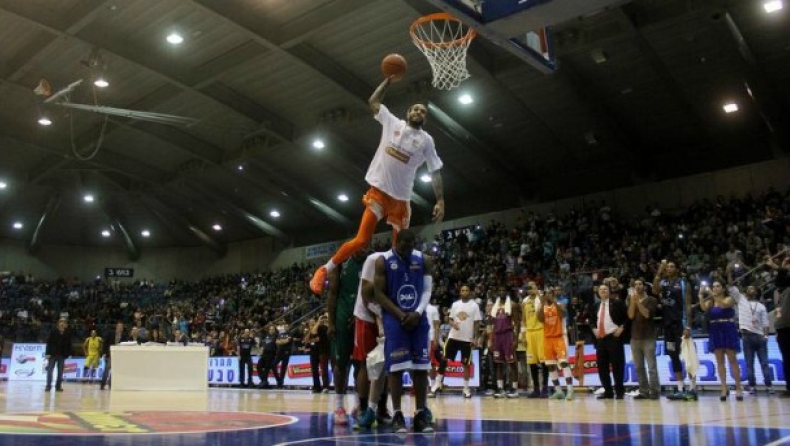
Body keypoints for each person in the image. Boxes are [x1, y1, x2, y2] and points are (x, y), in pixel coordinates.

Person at [310, 76, 445, 295]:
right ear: (408, 113)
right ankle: (324, 269)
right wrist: (388, 81)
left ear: (425, 119)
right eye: (415, 109)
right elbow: (373, 102)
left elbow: (435, 171)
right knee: (362, 239)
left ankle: (396, 286)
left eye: (423, 112)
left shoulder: (426, 140)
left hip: (401, 201)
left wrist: (440, 200)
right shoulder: (393, 123)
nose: (419, 113)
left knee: (399, 248)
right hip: (379, 193)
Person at [372, 229, 434, 434]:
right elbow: (378, 293)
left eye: (412, 245)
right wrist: (400, 315)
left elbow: (427, 290)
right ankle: (398, 413)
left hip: (418, 317)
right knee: (396, 368)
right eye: (405, 245)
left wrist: (417, 312)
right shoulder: (383, 261)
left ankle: (420, 414)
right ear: (397, 241)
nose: (409, 249)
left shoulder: (424, 259)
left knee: (421, 367)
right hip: (394, 319)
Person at [353, 251, 392, 430]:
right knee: (365, 362)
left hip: (386, 313)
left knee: (386, 364)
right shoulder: (374, 259)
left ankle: (381, 408)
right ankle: (362, 407)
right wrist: (379, 317)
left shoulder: (405, 261)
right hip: (367, 316)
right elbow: (365, 294)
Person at [327, 249, 366, 424]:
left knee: (362, 364)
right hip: (342, 317)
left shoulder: (372, 260)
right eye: (360, 245)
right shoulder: (341, 261)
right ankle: (339, 405)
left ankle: (359, 404)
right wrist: (331, 322)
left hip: (363, 317)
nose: (362, 249)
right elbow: (332, 293)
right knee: (340, 363)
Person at [653, 260, 696, 401]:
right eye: (667, 267)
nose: (669, 268)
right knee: (673, 355)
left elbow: (688, 305)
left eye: (672, 266)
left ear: (677, 269)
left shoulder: (683, 283)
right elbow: (654, 290)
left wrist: (688, 325)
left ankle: (693, 388)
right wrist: (659, 271)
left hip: (681, 324)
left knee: (687, 357)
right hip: (668, 326)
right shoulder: (663, 282)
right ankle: (680, 388)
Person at [430, 284, 482, 398]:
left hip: (467, 339)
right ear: (460, 292)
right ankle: (437, 384)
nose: (465, 292)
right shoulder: (455, 304)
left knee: (466, 364)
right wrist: (453, 323)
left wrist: (476, 337)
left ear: (470, 292)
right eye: (463, 290)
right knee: (444, 359)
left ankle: (466, 388)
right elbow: (450, 319)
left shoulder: (474, 306)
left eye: (467, 290)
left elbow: (477, 322)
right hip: (453, 337)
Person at [699, 281, 744, 401]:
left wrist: (712, 294)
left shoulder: (729, 299)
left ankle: (739, 387)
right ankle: (724, 387)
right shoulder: (711, 302)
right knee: (720, 361)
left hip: (728, 328)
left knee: (732, 360)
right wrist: (700, 295)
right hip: (715, 330)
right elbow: (703, 308)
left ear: (723, 289)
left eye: (718, 286)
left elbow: (724, 305)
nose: (715, 288)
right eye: (713, 286)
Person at [727, 279, 772, 394]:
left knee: (764, 363)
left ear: (756, 292)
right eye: (748, 288)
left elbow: (766, 323)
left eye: (752, 288)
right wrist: (730, 275)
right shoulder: (742, 300)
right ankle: (752, 386)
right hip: (746, 336)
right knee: (749, 363)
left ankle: (769, 386)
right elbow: (732, 288)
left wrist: (766, 337)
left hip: (759, 337)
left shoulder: (761, 306)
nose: (750, 290)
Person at [590, 284, 628, 400]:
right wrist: (593, 329)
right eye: (600, 289)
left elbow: (627, 318)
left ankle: (620, 391)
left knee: (617, 366)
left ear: (609, 291)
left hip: (614, 338)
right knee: (602, 367)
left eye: (605, 289)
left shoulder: (617, 303)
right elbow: (590, 320)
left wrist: (622, 327)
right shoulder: (595, 305)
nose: (603, 291)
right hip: (601, 339)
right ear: (598, 292)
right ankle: (608, 391)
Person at [537, 287, 574, 400]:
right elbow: (540, 319)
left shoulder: (559, 304)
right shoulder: (542, 307)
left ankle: (570, 390)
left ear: (553, 295)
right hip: (547, 339)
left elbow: (562, 314)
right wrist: (542, 302)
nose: (548, 295)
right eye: (546, 293)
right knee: (550, 365)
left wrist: (553, 301)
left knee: (563, 363)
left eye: (550, 293)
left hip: (560, 337)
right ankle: (558, 391)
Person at [627, 279, 660, 400]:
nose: (637, 286)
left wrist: (638, 303)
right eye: (635, 284)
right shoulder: (631, 300)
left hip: (648, 337)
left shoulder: (651, 300)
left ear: (644, 286)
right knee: (639, 367)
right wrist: (632, 301)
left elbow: (647, 314)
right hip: (635, 337)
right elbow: (630, 315)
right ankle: (643, 391)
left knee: (651, 367)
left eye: (640, 284)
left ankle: (654, 391)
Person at [490, 286, 520, 398]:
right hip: (497, 336)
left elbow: (517, 323)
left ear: (507, 292)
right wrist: (492, 339)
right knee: (498, 363)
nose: (501, 292)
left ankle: (515, 389)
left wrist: (516, 339)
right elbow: (493, 324)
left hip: (508, 335)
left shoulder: (513, 305)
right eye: (500, 290)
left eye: (503, 290)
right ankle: (500, 388)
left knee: (512, 362)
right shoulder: (495, 307)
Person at [523, 282, 548, 398]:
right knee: (532, 362)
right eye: (528, 287)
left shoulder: (542, 298)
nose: (530, 289)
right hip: (529, 332)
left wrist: (539, 295)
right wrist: (523, 335)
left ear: (537, 288)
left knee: (544, 362)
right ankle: (536, 388)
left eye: (532, 286)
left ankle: (545, 388)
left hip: (541, 331)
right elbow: (523, 319)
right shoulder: (524, 301)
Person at [45, 318, 72, 392]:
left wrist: (69, 353)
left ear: (66, 325)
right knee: (50, 371)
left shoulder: (67, 333)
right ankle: (48, 386)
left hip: (62, 355)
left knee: (60, 372)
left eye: (64, 322)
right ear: (58, 323)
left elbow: (69, 344)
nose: (62, 323)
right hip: (52, 354)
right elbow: (49, 343)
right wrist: (47, 353)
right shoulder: (53, 331)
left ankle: (58, 386)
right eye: (61, 322)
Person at [308, 314, 330, 394]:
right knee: (314, 370)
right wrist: (318, 322)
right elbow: (310, 336)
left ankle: (325, 387)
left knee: (324, 370)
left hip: (323, 351)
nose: (324, 319)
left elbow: (317, 338)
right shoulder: (313, 329)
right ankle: (317, 387)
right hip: (314, 352)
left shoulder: (324, 327)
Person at [100, 321, 126, 390]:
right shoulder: (110, 333)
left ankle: (110, 384)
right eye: (119, 326)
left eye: (122, 327)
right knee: (107, 370)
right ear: (117, 327)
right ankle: (102, 384)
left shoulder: (124, 336)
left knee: (114, 371)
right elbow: (105, 343)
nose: (120, 328)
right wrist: (104, 353)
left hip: (118, 356)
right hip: (109, 354)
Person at [257, 325, 278, 389]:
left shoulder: (276, 336)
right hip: (264, 354)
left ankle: (264, 382)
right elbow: (262, 345)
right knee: (258, 366)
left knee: (267, 368)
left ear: (275, 330)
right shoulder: (266, 336)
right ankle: (264, 381)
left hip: (271, 354)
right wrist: (260, 351)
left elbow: (278, 345)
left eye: (273, 329)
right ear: (269, 330)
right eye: (270, 329)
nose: (271, 330)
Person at [273, 319, 292, 389]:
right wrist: (282, 341)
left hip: (286, 353)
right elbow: (277, 342)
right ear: (284, 327)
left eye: (287, 327)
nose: (286, 328)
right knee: (273, 365)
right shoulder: (280, 334)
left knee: (283, 368)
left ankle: (280, 384)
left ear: (289, 327)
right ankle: (279, 380)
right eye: (285, 327)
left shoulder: (290, 334)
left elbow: (286, 341)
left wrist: (281, 341)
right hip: (279, 352)